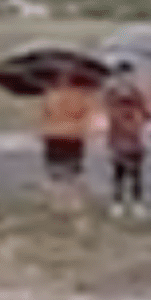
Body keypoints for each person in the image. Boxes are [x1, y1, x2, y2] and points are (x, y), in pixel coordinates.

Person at [41, 71, 98, 216]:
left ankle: (60, 203)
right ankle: (72, 203)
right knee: (71, 171)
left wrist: (42, 131)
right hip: (70, 136)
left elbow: (43, 116)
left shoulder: (51, 95)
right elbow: (88, 116)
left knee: (58, 172)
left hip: (57, 136)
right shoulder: (81, 96)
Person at [104, 62, 150, 218]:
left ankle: (137, 202)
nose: (126, 79)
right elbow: (109, 114)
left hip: (135, 139)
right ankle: (117, 202)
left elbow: (145, 114)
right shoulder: (112, 94)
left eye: (129, 76)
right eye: (123, 76)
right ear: (118, 77)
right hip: (118, 138)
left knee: (136, 173)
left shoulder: (137, 94)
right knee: (119, 173)